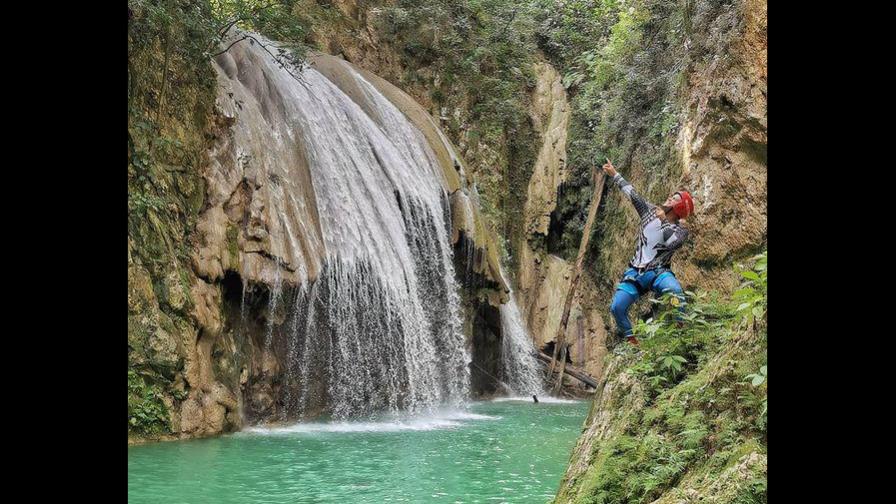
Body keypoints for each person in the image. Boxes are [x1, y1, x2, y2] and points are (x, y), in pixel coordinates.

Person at [601, 159, 694, 346]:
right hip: (635, 272)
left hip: (659, 272)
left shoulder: (681, 230)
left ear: (679, 208)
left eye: (674, 199)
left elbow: (673, 244)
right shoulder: (649, 211)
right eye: (671, 196)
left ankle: (682, 334)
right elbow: (633, 195)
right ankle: (633, 342)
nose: (669, 198)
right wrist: (615, 174)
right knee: (617, 307)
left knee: (676, 292)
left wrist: (663, 222)